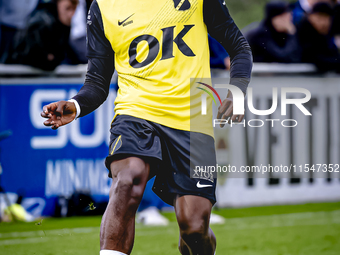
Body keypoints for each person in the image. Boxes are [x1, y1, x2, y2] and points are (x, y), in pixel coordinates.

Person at [41, 0, 252, 254]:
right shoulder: (102, 7)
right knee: (127, 180)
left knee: (194, 228)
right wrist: (76, 105)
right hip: (136, 112)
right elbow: (97, 81)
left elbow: (239, 46)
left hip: (191, 119)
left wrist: (238, 90)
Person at [5, 0, 78, 70]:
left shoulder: (64, 24)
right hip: (17, 74)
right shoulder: (42, 23)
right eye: (67, 8)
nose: (71, 14)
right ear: (57, 4)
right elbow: (32, 56)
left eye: (74, 9)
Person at [297, 2, 340, 72]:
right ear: (311, 17)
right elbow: (312, 57)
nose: (323, 23)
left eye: (327, 19)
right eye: (320, 18)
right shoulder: (303, 33)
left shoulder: (325, 35)